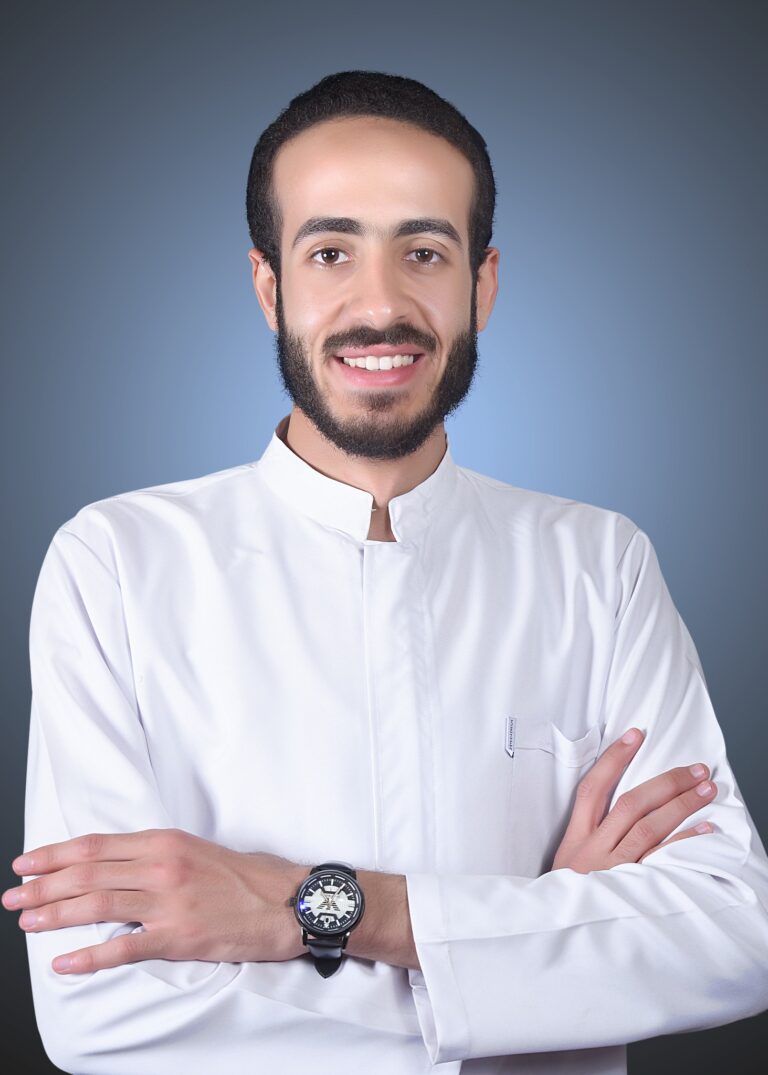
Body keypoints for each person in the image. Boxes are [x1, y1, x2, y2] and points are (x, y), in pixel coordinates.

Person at [3, 70, 768, 1074]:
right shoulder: (114, 563)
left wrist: (324, 912)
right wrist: (542, 937)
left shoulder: (601, 563)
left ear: (481, 285)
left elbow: (734, 934)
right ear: (269, 286)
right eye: (330, 252)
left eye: (424, 252)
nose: (379, 304)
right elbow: (99, 1009)